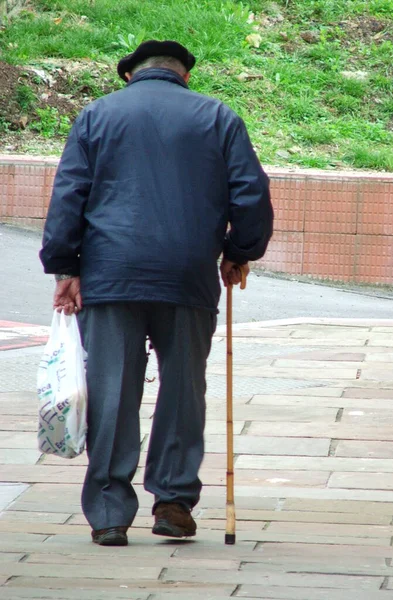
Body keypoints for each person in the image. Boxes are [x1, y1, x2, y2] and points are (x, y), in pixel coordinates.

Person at [40, 39, 273, 546]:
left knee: (113, 391)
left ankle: (108, 512)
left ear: (130, 75)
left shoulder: (97, 115)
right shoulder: (217, 116)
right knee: (185, 388)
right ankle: (173, 501)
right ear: (184, 76)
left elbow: (70, 193)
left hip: (110, 274)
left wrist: (63, 265)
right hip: (187, 274)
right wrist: (239, 250)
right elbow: (251, 193)